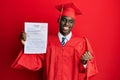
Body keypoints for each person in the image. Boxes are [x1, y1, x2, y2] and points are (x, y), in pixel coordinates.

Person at [11, 2, 98, 80]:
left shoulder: (81, 43)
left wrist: (84, 62)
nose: (66, 24)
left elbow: (87, 69)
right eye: (64, 20)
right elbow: (35, 62)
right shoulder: (47, 41)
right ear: (58, 20)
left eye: (70, 21)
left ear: (73, 24)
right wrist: (26, 44)